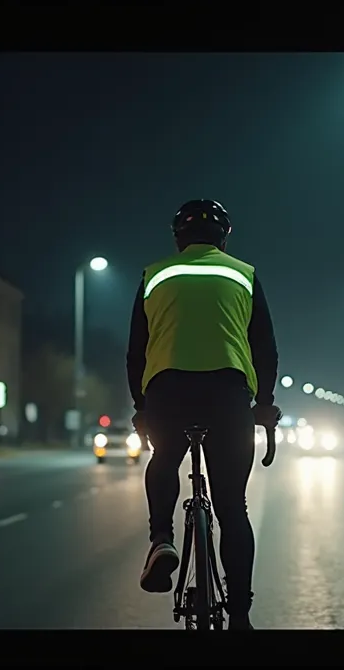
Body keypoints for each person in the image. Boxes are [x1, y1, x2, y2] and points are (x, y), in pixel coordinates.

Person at [126, 199, 280, 630]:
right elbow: (265, 346)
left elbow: (135, 350)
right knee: (233, 507)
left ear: (178, 239)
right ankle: (241, 617)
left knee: (165, 458)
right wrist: (263, 402)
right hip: (228, 393)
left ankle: (161, 539)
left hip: (167, 389)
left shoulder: (154, 274)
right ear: (224, 238)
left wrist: (141, 407)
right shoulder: (244, 274)